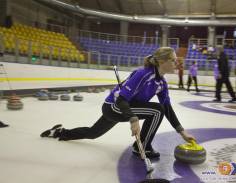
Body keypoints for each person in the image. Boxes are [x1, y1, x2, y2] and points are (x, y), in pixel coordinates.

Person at [40, 47, 196, 159]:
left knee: (93, 133)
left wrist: (182, 132)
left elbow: (168, 108)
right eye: (173, 60)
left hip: (125, 108)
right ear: (162, 61)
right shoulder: (143, 74)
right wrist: (133, 119)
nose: (177, 63)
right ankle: (142, 147)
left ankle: (61, 132)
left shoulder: (161, 82)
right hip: (114, 107)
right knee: (157, 110)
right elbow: (121, 99)